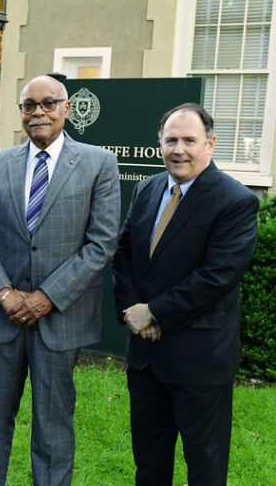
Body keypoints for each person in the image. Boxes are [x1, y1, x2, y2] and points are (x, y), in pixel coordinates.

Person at [0, 74, 121, 485]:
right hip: (1, 318)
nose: (38, 112)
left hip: (60, 319)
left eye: (48, 103)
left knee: (53, 428)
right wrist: (3, 293)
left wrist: (46, 297)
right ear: (20, 112)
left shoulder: (98, 163)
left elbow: (101, 243)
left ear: (67, 108)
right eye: (29, 105)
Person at [112, 103, 258, 485]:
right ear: (159, 143)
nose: (179, 149)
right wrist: (134, 313)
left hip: (199, 360)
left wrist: (156, 312)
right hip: (146, 360)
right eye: (171, 140)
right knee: (149, 462)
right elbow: (124, 254)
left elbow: (216, 277)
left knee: (205, 468)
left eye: (189, 140)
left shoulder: (236, 201)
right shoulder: (147, 189)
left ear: (210, 144)